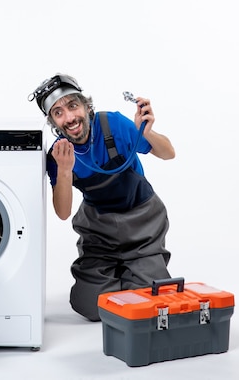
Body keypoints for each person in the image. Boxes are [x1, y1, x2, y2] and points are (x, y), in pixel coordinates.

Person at [29, 73, 175, 322]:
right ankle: (120, 274)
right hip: (100, 235)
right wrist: (64, 170)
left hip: (143, 228)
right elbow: (63, 212)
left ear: (86, 106)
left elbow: (168, 153)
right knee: (88, 305)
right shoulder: (59, 153)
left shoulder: (114, 125)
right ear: (53, 121)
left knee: (149, 305)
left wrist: (147, 132)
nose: (69, 118)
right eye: (58, 112)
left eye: (73, 106)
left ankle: (135, 269)